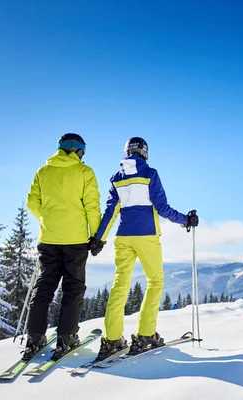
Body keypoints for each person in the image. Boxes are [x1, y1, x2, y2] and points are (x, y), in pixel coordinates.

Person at [88, 137, 199, 361]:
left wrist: (99, 239)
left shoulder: (117, 178)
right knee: (155, 282)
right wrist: (185, 220)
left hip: (123, 238)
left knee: (120, 285)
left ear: (127, 152)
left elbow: (110, 212)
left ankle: (111, 340)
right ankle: (145, 336)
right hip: (146, 236)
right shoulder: (150, 173)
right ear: (144, 153)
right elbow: (162, 208)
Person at [23, 133, 101, 361]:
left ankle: (34, 337)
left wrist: (47, 219)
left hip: (48, 238)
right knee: (73, 287)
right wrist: (96, 236)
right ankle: (66, 337)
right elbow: (92, 206)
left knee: (44, 286)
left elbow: (31, 202)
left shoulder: (43, 171)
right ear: (77, 150)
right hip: (75, 240)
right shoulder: (85, 172)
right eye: (82, 151)